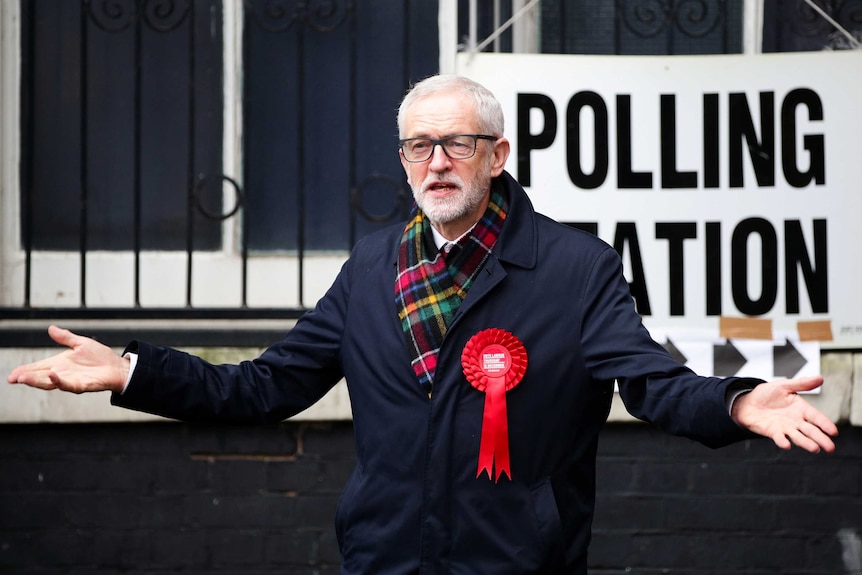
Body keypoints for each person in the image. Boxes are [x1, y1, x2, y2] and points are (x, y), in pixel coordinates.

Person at [7, 74, 838, 574]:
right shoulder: (372, 267)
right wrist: (129, 370)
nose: (435, 161)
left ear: (498, 155)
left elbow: (652, 383)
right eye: (417, 146)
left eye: (456, 142)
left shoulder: (575, 268)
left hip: (519, 563)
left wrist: (734, 402)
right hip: (386, 560)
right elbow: (264, 385)